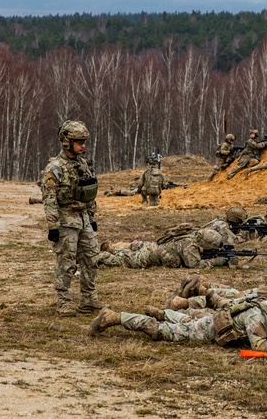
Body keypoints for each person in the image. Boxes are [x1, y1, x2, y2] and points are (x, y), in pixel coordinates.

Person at [88, 290, 267, 354]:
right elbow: (259, 346)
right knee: (164, 332)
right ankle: (114, 317)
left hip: (215, 320)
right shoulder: (258, 318)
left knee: (185, 320)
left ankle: (163, 312)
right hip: (209, 329)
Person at [41, 120, 101, 317]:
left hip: (83, 219)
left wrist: (91, 217)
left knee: (91, 258)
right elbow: (49, 199)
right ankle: (64, 302)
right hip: (66, 222)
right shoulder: (55, 168)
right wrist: (53, 226)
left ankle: (89, 299)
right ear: (67, 142)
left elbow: (89, 194)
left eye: (84, 141)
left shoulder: (82, 164)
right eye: (79, 142)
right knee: (67, 263)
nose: (83, 145)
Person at [96, 229, 225, 269]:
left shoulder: (192, 237)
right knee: (123, 260)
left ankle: (113, 248)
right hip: (148, 256)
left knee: (132, 247)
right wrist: (216, 262)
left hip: (154, 248)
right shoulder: (190, 246)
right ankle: (99, 256)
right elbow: (194, 265)